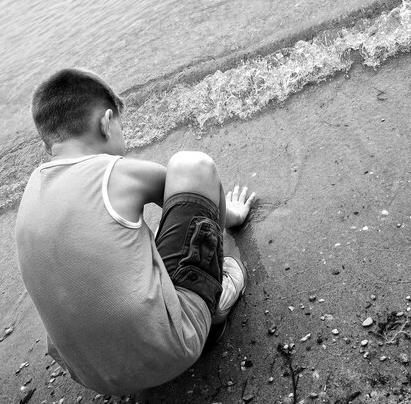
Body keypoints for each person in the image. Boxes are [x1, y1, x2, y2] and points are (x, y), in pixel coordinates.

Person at [15, 68, 256, 395]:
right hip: (171, 350)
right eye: (120, 126)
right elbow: (197, 189)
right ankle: (212, 315)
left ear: (49, 142)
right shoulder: (112, 172)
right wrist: (232, 215)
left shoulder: (30, 197)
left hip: (91, 375)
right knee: (191, 164)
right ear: (106, 121)